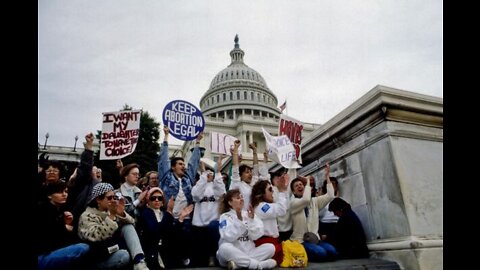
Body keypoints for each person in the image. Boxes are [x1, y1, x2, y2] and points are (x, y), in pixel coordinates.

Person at [157, 126, 203, 266]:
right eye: (180, 164)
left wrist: (197, 142)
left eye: (184, 164)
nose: (184, 166)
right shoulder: (166, 176)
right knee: (170, 243)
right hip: (170, 217)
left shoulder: (188, 178)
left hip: (186, 218)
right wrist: (166, 137)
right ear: (173, 167)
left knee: (186, 240)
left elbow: (194, 162)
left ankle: (185, 258)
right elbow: (163, 159)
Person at [78, 182, 149, 270]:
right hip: (98, 258)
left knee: (128, 227)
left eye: (114, 197)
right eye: (109, 198)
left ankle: (139, 261)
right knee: (123, 255)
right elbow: (96, 236)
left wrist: (122, 214)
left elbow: (133, 223)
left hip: (114, 248)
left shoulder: (112, 210)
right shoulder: (87, 215)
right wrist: (111, 216)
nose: (113, 200)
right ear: (98, 200)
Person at [216, 189, 277, 270]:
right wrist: (239, 220)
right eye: (238, 198)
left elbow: (257, 236)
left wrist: (251, 220)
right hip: (232, 252)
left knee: (271, 247)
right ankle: (258, 265)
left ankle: (238, 265)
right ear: (230, 202)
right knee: (224, 248)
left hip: (248, 252)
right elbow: (228, 237)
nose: (241, 199)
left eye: (241, 197)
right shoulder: (225, 216)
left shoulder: (248, 214)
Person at [37, 180, 90, 270]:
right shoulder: (43, 211)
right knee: (83, 248)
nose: (64, 194)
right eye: (60, 192)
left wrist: (67, 224)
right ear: (49, 195)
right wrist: (64, 227)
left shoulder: (61, 210)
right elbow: (51, 239)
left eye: (66, 191)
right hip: (42, 256)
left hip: (53, 251)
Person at [289, 163, 337, 262]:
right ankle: (303, 254)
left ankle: (312, 252)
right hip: (300, 241)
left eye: (301, 184)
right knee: (322, 254)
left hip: (315, 240)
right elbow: (306, 199)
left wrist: (327, 177)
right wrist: (307, 182)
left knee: (333, 252)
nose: (299, 186)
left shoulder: (314, 201)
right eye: (296, 186)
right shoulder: (293, 203)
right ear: (293, 192)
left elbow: (331, 196)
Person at [138, 187, 193, 269]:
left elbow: (172, 231)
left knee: (182, 232)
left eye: (159, 198)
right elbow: (155, 231)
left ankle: (184, 257)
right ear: (148, 201)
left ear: (162, 201)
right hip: (153, 249)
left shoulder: (164, 213)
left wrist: (181, 218)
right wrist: (169, 211)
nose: (157, 200)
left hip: (165, 248)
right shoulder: (146, 213)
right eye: (153, 198)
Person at [191, 157, 226, 267]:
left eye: (210, 172)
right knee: (200, 258)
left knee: (212, 251)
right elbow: (196, 195)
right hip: (198, 225)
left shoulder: (216, 185)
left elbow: (221, 194)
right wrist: (203, 177)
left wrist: (218, 173)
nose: (209, 174)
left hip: (213, 224)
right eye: (207, 171)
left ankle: (213, 257)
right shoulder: (198, 185)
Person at [250, 179, 288, 265]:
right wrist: (281, 191)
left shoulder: (264, 205)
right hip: (266, 243)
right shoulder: (261, 207)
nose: (272, 192)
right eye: (270, 190)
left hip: (273, 242)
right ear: (262, 193)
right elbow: (281, 210)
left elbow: (282, 206)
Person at [318, 176, 340, 243]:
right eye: (330, 184)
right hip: (326, 227)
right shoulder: (323, 200)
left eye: (334, 184)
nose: (332, 186)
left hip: (339, 225)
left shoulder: (339, 200)